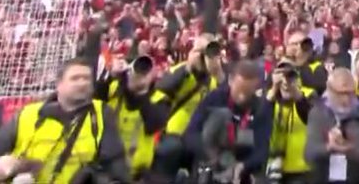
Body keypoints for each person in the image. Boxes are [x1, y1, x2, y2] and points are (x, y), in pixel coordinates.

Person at [0, 57, 130, 184]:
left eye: (87, 78)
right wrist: (2, 168)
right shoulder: (29, 113)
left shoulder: (101, 114)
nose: (82, 83)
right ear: (59, 84)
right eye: (75, 78)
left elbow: (117, 171)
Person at [185, 59, 274, 184]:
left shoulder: (260, 108)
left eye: (247, 92)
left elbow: (262, 149)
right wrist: (212, 156)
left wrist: (243, 166)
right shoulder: (214, 99)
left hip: (242, 168)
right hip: (210, 161)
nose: (242, 97)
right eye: (239, 91)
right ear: (231, 80)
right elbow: (191, 134)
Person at [152, 34, 227, 180]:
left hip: (198, 140)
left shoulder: (214, 79)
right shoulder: (179, 71)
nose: (204, 57)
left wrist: (218, 72)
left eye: (209, 53)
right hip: (172, 135)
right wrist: (188, 68)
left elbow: (228, 100)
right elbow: (161, 89)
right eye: (201, 52)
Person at [98, 54, 170, 181]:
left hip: (135, 173)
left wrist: (141, 92)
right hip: (103, 167)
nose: (141, 74)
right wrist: (110, 76)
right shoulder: (114, 89)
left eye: (146, 71)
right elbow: (93, 101)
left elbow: (154, 125)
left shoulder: (160, 99)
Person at [305, 68, 359, 184]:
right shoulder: (318, 112)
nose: (346, 100)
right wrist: (329, 147)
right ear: (330, 90)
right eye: (341, 93)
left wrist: (349, 147)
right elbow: (309, 154)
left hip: (354, 177)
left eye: (350, 93)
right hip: (324, 177)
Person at [267, 60, 317, 184]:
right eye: (280, 74)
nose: (285, 80)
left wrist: (295, 92)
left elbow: (312, 117)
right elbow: (259, 119)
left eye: (289, 74)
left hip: (301, 167)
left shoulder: (308, 94)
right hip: (273, 166)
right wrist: (274, 89)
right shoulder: (269, 96)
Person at [288, 31, 330, 95]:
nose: (299, 47)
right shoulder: (280, 68)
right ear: (287, 47)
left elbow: (319, 89)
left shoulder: (317, 66)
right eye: (295, 44)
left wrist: (302, 64)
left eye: (302, 44)